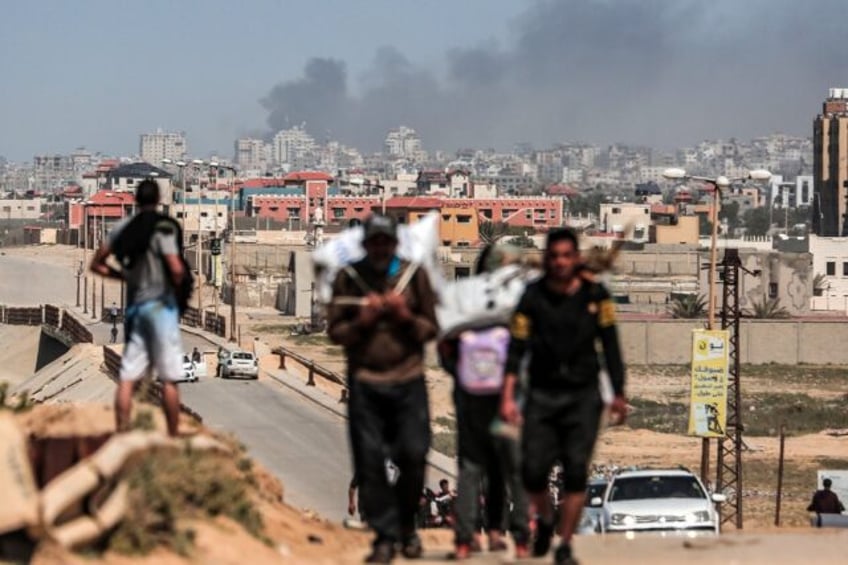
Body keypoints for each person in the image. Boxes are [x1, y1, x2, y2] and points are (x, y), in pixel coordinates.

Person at [500, 228, 628, 565]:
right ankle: (545, 520)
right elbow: (516, 348)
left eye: (566, 256)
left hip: (583, 397)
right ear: (546, 260)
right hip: (542, 396)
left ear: (576, 259)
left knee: (575, 472)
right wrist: (508, 396)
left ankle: (566, 544)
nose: (559, 262)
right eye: (554, 256)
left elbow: (610, 346)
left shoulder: (596, 296)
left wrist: (618, 392)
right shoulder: (531, 297)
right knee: (533, 472)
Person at [327, 214, 439, 564]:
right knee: (370, 463)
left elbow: (431, 328)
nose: (379, 247)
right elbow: (336, 331)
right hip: (366, 383)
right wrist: (364, 320)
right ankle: (385, 537)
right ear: (365, 244)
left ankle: (406, 525)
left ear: (394, 243)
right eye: (373, 241)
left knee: (414, 455)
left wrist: (404, 315)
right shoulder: (350, 279)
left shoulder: (412, 276)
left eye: (385, 241)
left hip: (407, 381)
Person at [438, 243, 531, 560]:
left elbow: (445, 348)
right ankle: (516, 536)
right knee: (509, 466)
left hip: (470, 397)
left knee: (471, 466)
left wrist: (463, 377)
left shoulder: (463, 298)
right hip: (509, 397)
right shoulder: (518, 299)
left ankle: (465, 538)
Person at [89, 178, 186, 437]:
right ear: (158, 200)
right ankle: (173, 436)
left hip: (136, 308)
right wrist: (176, 289)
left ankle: (122, 433)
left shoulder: (122, 227)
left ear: (135, 199)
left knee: (128, 377)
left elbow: (97, 263)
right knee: (168, 380)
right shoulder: (163, 229)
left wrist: (124, 277)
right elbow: (176, 268)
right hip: (160, 307)